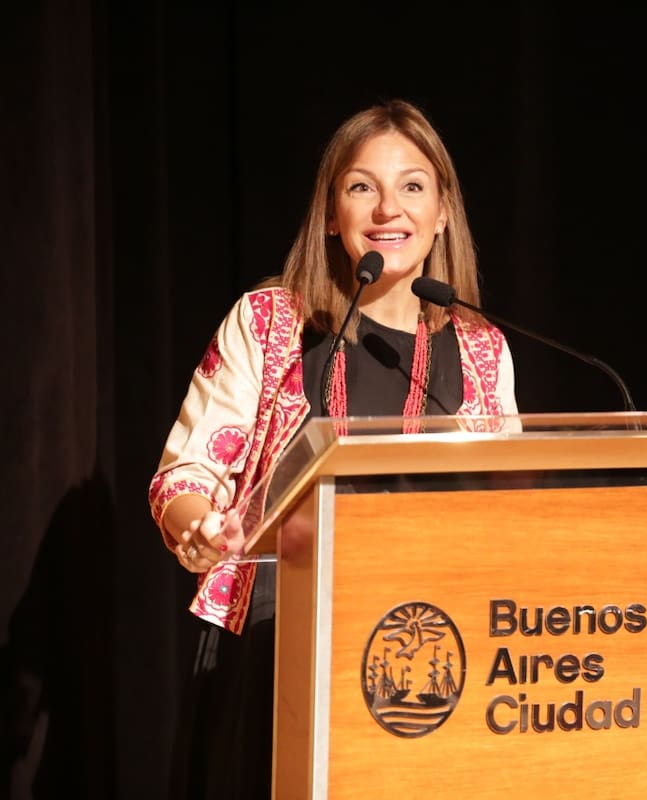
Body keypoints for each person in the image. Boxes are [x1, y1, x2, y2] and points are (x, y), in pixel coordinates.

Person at [147, 99, 518, 798]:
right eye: (361, 187)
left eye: (412, 186)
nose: (388, 208)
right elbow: (187, 471)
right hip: (275, 643)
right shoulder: (269, 322)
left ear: (442, 213)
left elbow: (504, 512)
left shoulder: (481, 348)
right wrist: (197, 526)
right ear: (329, 213)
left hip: (433, 648)